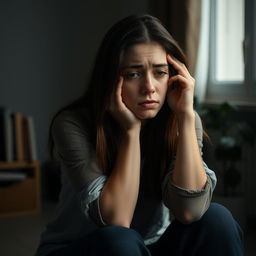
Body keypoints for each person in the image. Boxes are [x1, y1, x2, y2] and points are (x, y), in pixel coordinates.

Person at [36, 14, 243, 256]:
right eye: (133, 74)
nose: (149, 87)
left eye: (160, 72)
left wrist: (186, 117)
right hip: (81, 247)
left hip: (146, 247)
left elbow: (189, 210)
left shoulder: (180, 119)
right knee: (119, 241)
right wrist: (131, 131)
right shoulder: (73, 124)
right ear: (111, 77)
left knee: (218, 220)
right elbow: (117, 220)